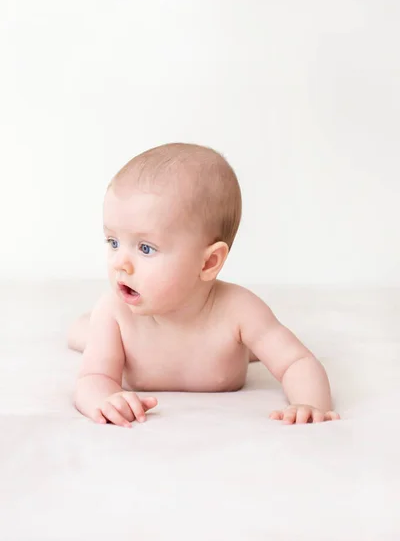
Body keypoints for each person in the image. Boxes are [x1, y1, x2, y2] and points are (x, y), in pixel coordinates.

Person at [68, 143, 340, 428]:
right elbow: (92, 379)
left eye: (145, 248)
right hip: (109, 330)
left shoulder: (239, 311)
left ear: (208, 263)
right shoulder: (115, 313)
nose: (120, 263)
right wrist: (104, 398)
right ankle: (85, 328)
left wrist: (310, 404)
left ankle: (250, 348)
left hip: (230, 337)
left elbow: (297, 362)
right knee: (87, 335)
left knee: (261, 343)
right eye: (113, 242)